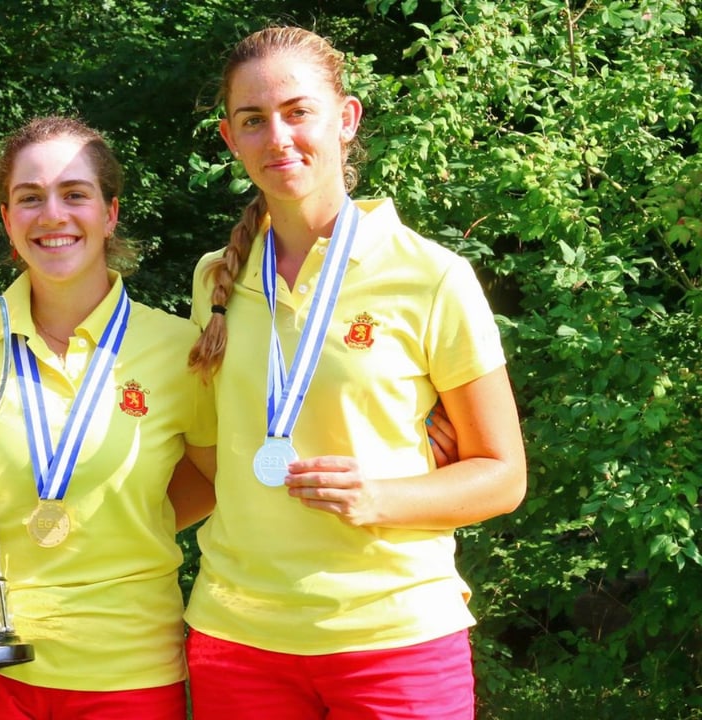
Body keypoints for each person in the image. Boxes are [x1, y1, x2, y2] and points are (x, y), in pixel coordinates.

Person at [183, 26, 528, 719]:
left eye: (297, 111)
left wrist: (382, 497)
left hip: (394, 638)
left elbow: (503, 473)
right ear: (230, 138)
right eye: (253, 120)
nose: (278, 137)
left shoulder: (432, 277)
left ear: (345, 119)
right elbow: (211, 463)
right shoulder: (215, 279)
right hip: (237, 639)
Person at [0, 116, 218, 719]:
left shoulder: (177, 348)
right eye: (29, 198)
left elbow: (214, 480)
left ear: (109, 213)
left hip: (127, 667)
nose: (52, 215)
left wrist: (123, 518)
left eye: (75, 194)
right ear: (6, 218)